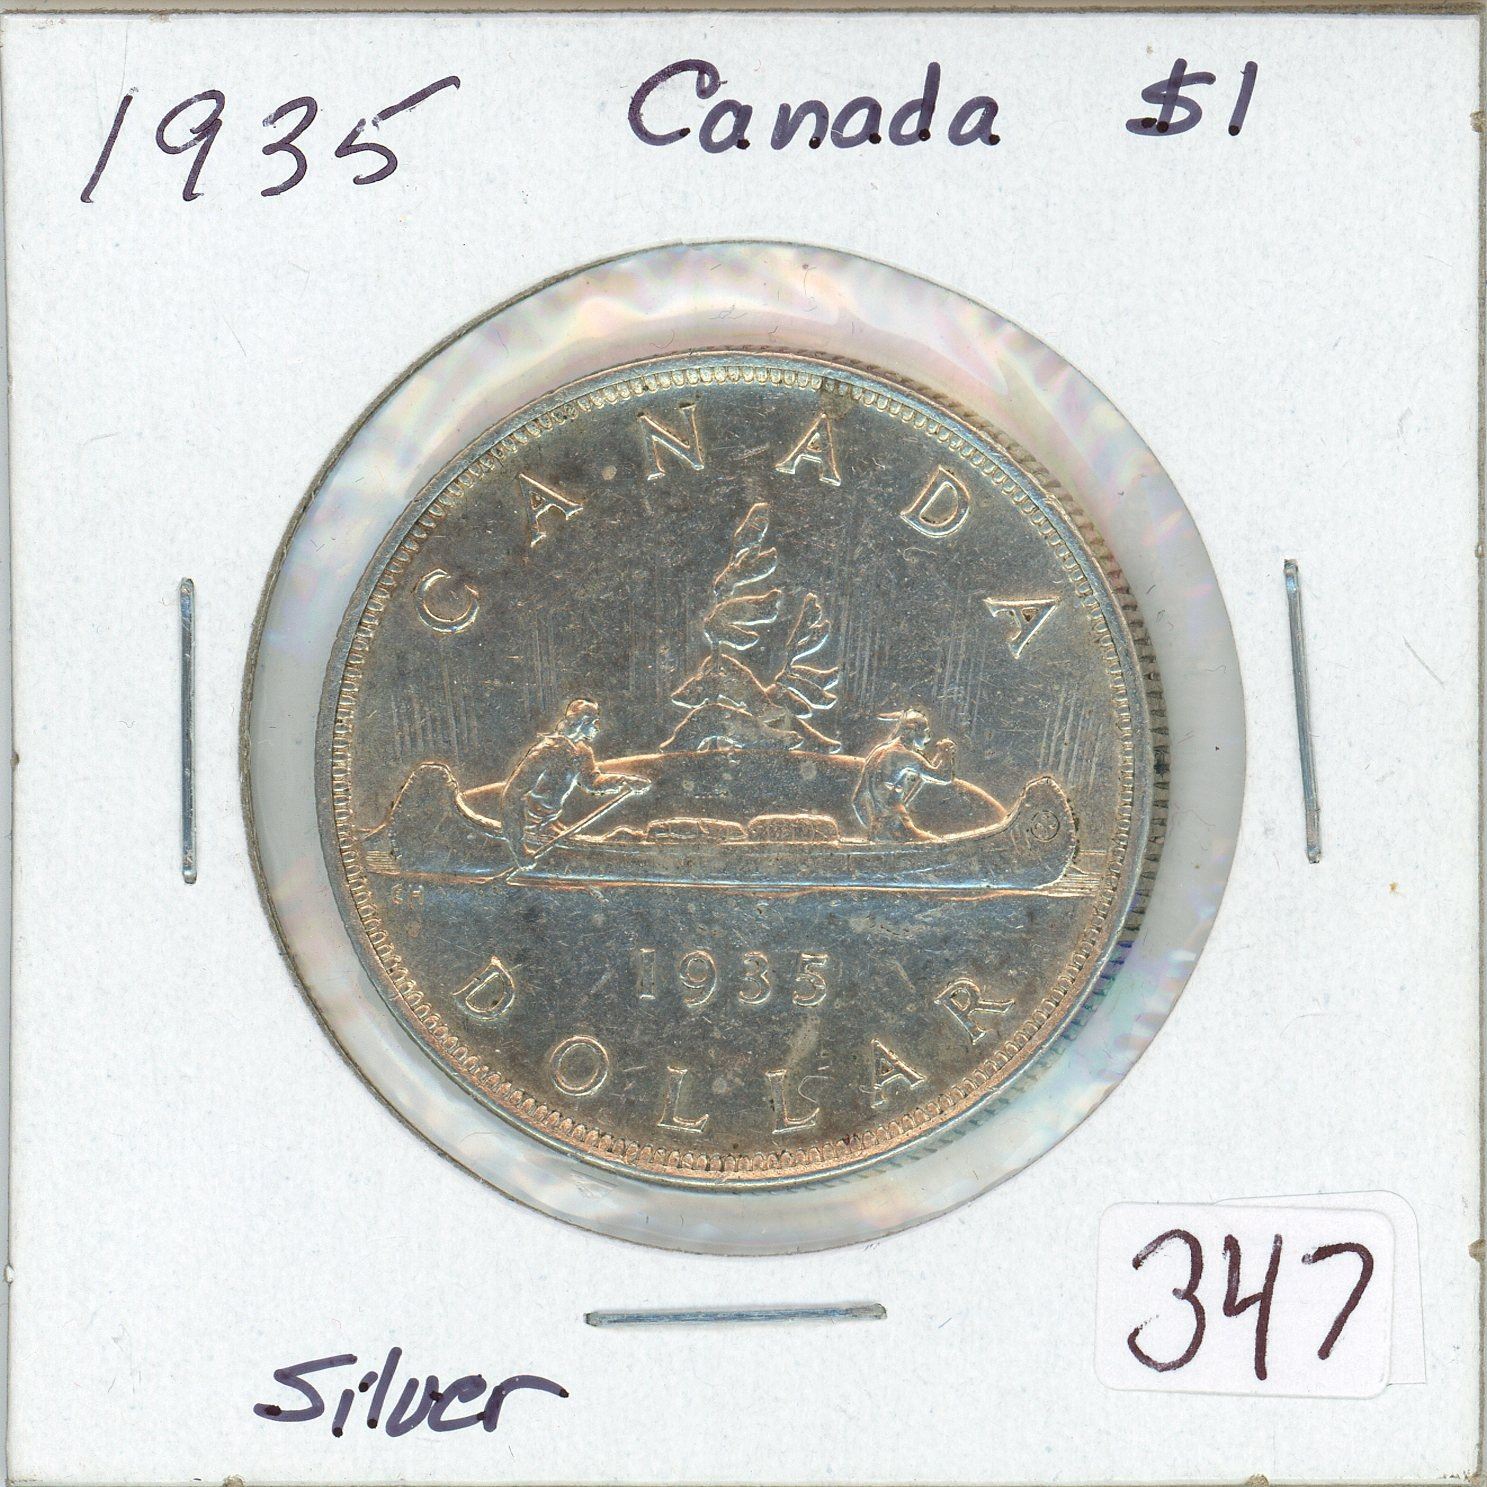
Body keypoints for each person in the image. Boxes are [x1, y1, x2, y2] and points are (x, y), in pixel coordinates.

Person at [500, 699, 648, 861]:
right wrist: (518, 848)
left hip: (549, 824)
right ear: (582, 722)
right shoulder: (546, 751)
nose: (597, 728)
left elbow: (592, 782)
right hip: (527, 827)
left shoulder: (581, 751)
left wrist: (625, 781)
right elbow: (512, 795)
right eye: (594, 722)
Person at [850, 707, 957, 842]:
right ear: (912, 732)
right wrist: (947, 754)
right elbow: (943, 777)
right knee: (939, 845)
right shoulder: (906, 756)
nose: (928, 738)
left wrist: (874, 828)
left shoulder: (878, 752)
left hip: (879, 830)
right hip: (900, 828)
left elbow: (857, 800)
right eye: (925, 732)